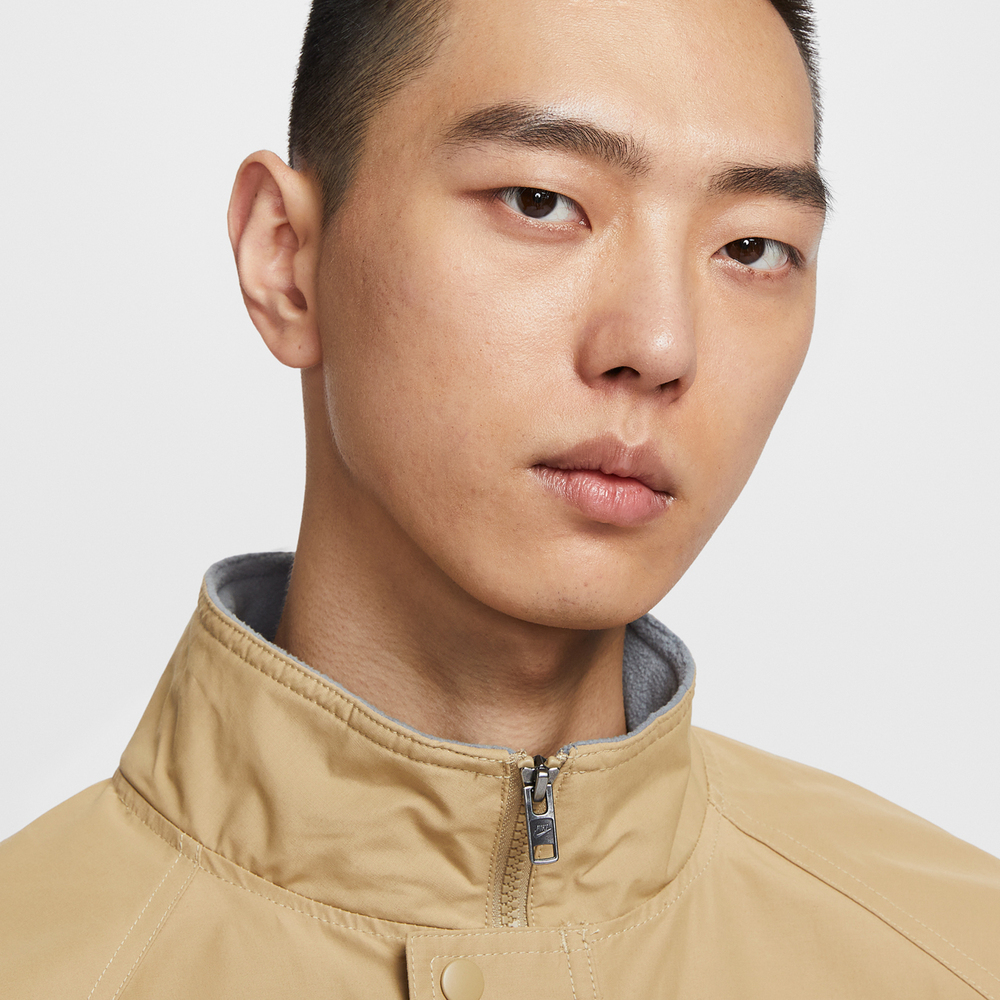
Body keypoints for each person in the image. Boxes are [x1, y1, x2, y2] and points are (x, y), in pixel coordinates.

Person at [1, 0, 997, 997]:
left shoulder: (957, 954)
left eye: (751, 249)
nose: (659, 345)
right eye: (540, 200)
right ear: (286, 259)